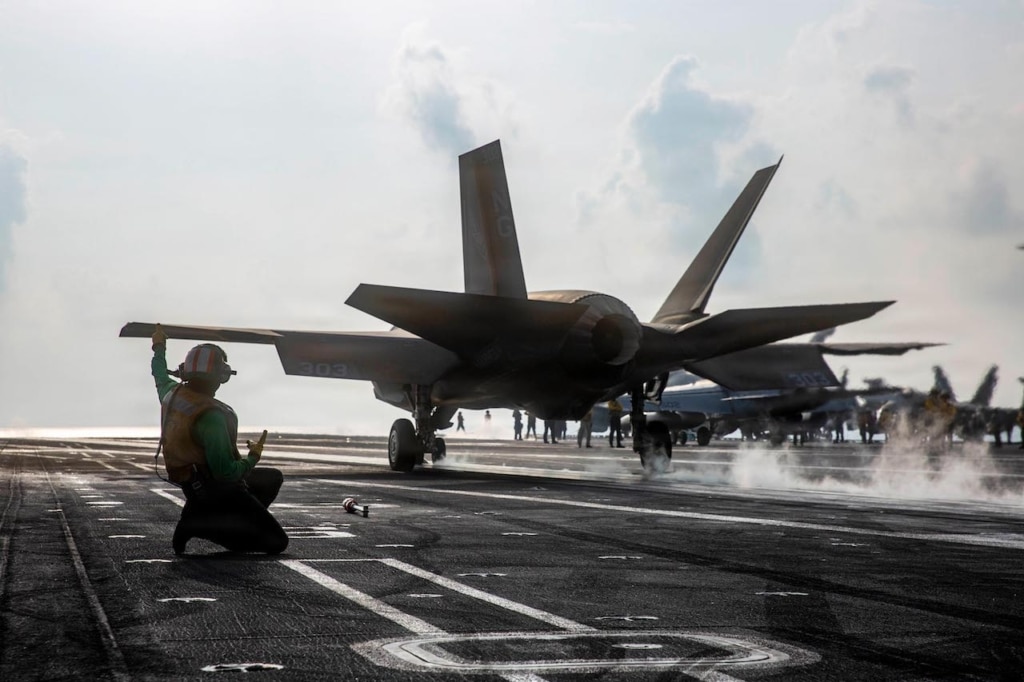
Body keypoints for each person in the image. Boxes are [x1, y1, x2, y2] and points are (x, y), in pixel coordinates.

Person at [150, 324, 288, 556]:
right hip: (216, 489)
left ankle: (210, 516)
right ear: (219, 376)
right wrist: (253, 457)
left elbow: (159, 373)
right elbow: (226, 473)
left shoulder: (171, 394)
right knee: (277, 543)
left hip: (193, 486)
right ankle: (200, 524)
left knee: (272, 477)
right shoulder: (212, 415)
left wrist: (159, 346)